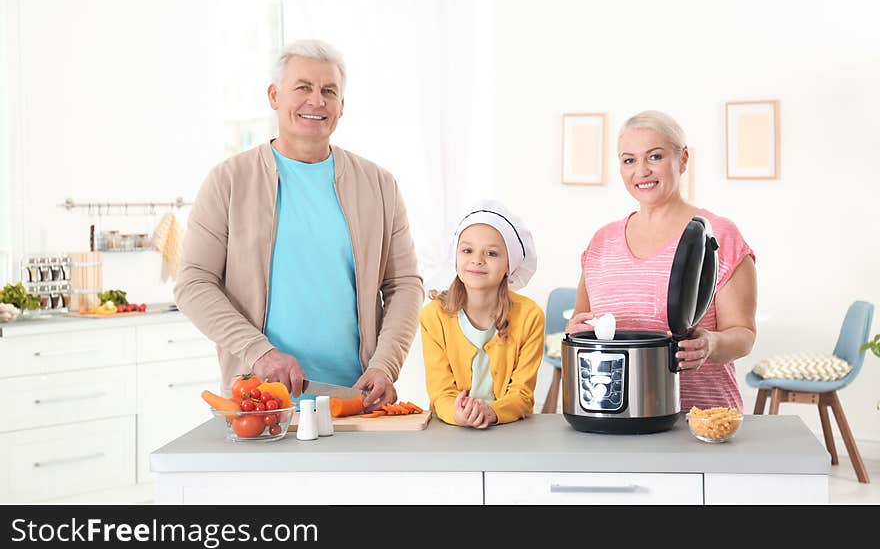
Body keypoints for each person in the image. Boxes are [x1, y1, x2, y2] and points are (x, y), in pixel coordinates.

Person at [175, 39, 424, 410]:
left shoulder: (379, 185)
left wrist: (385, 364)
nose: (316, 101)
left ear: (342, 106)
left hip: (355, 400)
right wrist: (258, 352)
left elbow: (404, 284)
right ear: (274, 96)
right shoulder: (229, 181)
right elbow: (194, 282)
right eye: (303, 88)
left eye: (329, 91)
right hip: (259, 401)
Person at [565, 110, 757, 412]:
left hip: (700, 419)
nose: (641, 170)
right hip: (614, 416)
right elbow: (580, 325)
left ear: (682, 160)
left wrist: (713, 345)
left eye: (654, 156)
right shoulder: (601, 242)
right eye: (629, 160)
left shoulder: (719, 235)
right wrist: (575, 331)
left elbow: (743, 334)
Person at [420, 200, 544, 428]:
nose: (477, 259)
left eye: (492, 253)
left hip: (508, 429)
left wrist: (490, 412)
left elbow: (522, 396)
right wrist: (459, 414)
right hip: (450, 429)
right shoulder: (433, 316)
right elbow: (441, 392)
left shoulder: (530, 316)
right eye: (467, 250)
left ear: (511, 265)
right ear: (455, 257)